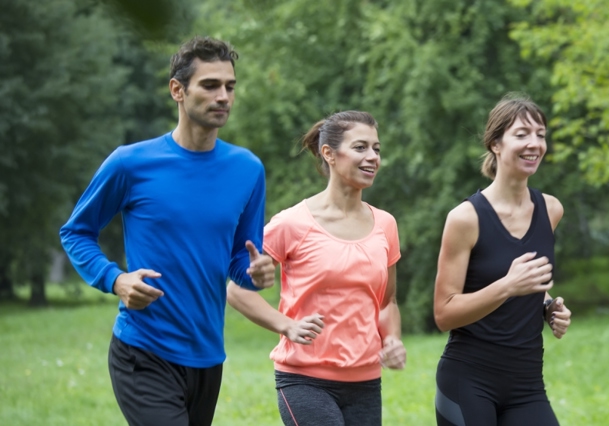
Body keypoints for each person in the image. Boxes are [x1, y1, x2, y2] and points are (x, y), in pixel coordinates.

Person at [59, 36, 275, 426]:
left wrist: (257, 273)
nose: (223, 96)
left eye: (230, 86)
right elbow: (76, 232)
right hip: (144, 350)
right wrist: (116, 279)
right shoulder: (131, 163)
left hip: (208, 356)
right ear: (178, 90)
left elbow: (240, 261)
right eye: (210, 85)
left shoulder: (247, 169)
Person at [226, 110, 405, 426]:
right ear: (329, 154)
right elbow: (236, 289)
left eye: (376, 148)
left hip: (365, 382)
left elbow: (386, 301)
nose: (373, 157)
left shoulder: (385, 225)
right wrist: (286, 325)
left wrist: (392, 338)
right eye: (361, 147)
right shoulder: (292, 224)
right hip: (304, 380)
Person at [433, 94, 572, 426]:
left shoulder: (551, 210)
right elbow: (444, 313)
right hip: (468, 381)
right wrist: (508, 286)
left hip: (526, 383)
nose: (534, 144)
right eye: (522, 134)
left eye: (540, 134)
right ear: (496, 144)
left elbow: (531, 284)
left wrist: (548, 306)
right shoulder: (465, 218)